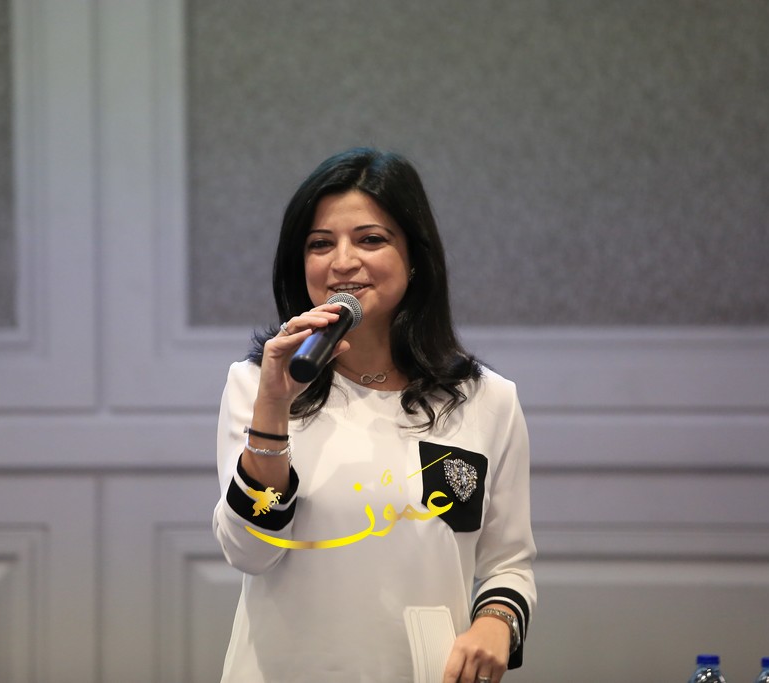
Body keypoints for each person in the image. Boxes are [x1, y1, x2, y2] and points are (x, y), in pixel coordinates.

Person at [212, 147, 536, 683]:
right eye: (320, 244)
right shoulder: (258, 383)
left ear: (414, 258)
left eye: (370, 239)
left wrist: (496, 622)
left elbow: (508, 563)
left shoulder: (485, 399)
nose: (342, 261)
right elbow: (249, 551)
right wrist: (274, 406)